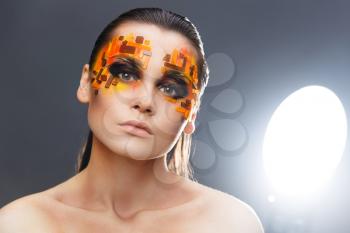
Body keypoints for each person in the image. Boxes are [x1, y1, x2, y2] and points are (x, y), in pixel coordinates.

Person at [0, 7, 264, 233]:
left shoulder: (228, 224)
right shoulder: (22, 224)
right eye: (125, 75)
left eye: (171, 88)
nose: (146, 102)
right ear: (86, 82)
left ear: (192, 112)